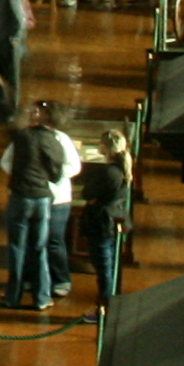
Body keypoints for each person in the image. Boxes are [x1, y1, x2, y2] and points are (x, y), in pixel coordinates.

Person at [0, 101, 79, 311]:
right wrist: (47, 181)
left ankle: (12, 296)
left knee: (17, 247)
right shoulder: (55, 140)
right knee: (40, 247)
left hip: (22, 196)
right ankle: (41, 297)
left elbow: (5, 162)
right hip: (44, 198)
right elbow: (61, 170)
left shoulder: (23, 137)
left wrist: (22, 175)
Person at [73, 129, 134, 309]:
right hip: (113, 218)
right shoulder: (122, 169)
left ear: (106, 147)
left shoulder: (108, 172)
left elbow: (87, 193)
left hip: (101, 222)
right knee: (109, 265)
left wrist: (92, 197)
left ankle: (105, 306)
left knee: (103, 267)